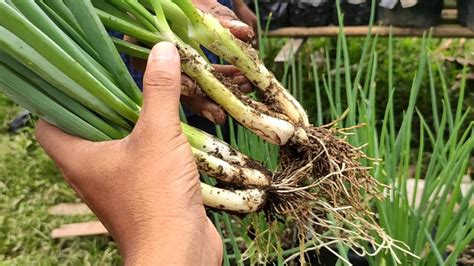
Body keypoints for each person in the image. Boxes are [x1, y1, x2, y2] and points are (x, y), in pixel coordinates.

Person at [35, 1, 256, 265]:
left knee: (211, 117)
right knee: (153, 122)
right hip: (124, 28)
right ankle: (196, 209)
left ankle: (209, 208)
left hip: (190, 18)